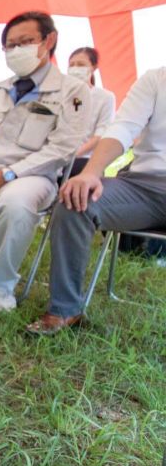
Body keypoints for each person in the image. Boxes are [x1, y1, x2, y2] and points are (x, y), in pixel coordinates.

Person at [0, 11, 90, 312]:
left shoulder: (72, 92)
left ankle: (1, 284)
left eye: (25, 42)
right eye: (9, 46)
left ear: (48, 41)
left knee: (16, 203)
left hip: (32, 176)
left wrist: (3, 177)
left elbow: (61, 149)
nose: (16, 51)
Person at [26, 66, 166, 335]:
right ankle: (65, 311)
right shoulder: (156, 79)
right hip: (143, 186)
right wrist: (91, 173)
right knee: (75, 201)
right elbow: (123, 127)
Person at [67, 46, 115, 172]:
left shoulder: (105, 97)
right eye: (72, 65)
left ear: (93, 67)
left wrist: (74, 154)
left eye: (81, 64)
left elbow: (100, 134)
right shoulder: (61, 95)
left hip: (85, 159)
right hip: (58, 157)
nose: (75, 69)